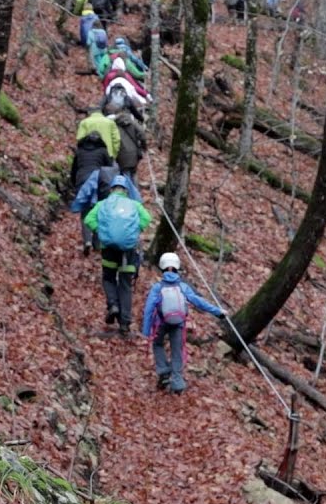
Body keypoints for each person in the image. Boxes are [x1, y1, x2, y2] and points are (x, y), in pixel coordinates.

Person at [141, 252, 227, 393]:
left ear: (162, 267)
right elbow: (199, 302)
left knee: (157, 344)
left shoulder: (157, 287)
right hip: (179, 324)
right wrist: (218, 312)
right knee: (177, 351)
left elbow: (149, 309)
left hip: (161, 323)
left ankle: (163, 371)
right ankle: (177, 383)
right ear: (177, 267)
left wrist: (146, 330)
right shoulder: (183, 287)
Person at [84, 176, 152, 334]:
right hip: (128, 249)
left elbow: (89, 219)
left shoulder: (102, 204)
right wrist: (135, 231)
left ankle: (113, 305)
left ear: (111, 189)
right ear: (126, 190)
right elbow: (147, 218)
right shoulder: (134, 204)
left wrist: (101, 232)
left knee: (108, 278)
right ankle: (125, 323)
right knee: (125, 284)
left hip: (108, 247)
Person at [69, 132, 114, 255]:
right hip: (99, 182)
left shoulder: (80, 151)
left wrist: (74, 184)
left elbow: (74, 169)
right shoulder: (103, 151)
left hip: (82, 181)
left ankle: (87, 240)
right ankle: (97, 243)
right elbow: (109, 168)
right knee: (99, 211)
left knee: (85, 211)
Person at [104, 97, 146, 179]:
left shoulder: (112, 124)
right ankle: (132, 190)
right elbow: (141, 133)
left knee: (123, 176)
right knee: (131, 176)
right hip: (133, 153)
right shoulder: (131, 122)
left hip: (119, 154)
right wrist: (144, 146)